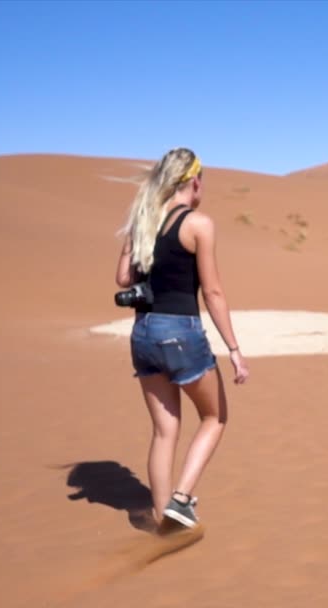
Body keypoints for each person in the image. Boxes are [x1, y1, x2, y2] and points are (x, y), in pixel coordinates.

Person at [114, 147, 249, 530]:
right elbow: (214, 293)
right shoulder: (198, 225)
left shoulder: (143, 221)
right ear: (194, 181)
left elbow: (123, 280)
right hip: (181, 333)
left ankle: (161, 519)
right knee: (215, 416)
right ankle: (182, 499)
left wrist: (137, 233)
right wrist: (235, 351)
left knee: (164, 430)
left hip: (142, 334)